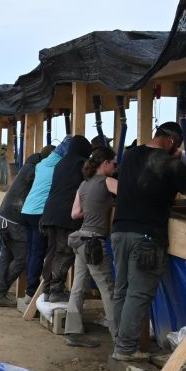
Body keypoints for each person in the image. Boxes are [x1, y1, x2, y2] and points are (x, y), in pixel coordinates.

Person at [109, 122, 186, 364]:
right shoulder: (171, 163)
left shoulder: (131, 154)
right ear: (170, 140)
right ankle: (125, 349)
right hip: (146, 237)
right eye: (177, 144)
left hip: (120, 231)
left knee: (122, 291)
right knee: (138, 294)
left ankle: (120, 342)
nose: (177, 149)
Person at [63, 145, 118, 347]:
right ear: (105, 163)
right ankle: (119, 337)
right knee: (108, 289)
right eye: (114, 163)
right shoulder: (108, 181)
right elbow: (129, 197)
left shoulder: (83, 185)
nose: (115, 167)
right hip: (94, 241)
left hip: (80, 240)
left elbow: (75, 214)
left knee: (78, 286)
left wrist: (93, 208)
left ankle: (73, 331)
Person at [0, 145, 52, 307]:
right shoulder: (36, 170)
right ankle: (0, 292)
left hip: (4, 215)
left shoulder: (28, 166)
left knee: (6, 256)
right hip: (16, 219)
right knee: (23, 257)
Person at [38, 135, 93, 302]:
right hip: (65, 215)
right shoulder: (81, 164)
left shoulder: (61, 162)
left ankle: (47, 289)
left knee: (52, 252)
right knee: (64, 252)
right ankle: (56, 290)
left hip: (50, 213)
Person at [18, 140, 66, 296]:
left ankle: (29, 290)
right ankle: (32, 291)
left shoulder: (40, 166)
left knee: (32, 252)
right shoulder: (59, 168)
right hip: (38, 212)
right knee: (38, 253)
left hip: (27, 210)